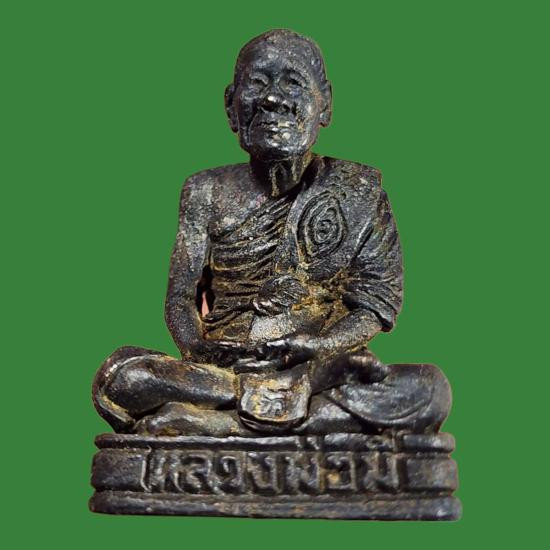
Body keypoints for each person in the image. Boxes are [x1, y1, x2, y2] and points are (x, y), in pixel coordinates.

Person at [93, 29, 451, 437]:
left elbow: (376, 303)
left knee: (429, 387)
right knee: (124, 376)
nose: (272, 99)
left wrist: (319, 348)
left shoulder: (358, 190)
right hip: (225, 367)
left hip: (315, 365)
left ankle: (214, 422)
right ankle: (272, 408)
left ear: (325, 104)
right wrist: (198, 349)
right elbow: (180, 299)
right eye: (257, 83)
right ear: (231, 106)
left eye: (293, 82)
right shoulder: (204, 191)